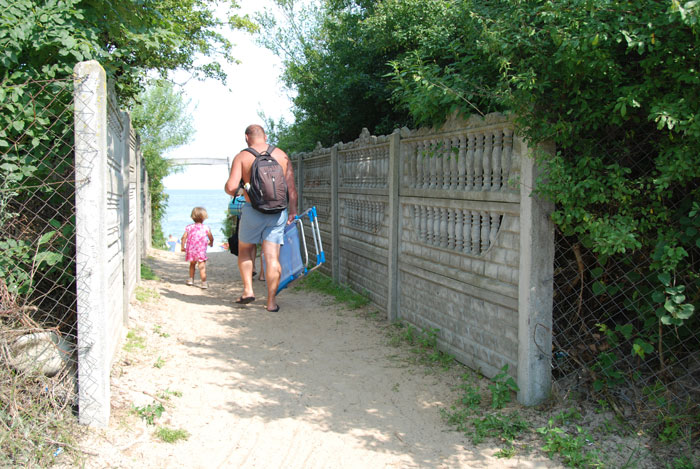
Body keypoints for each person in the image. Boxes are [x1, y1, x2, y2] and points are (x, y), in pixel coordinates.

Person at [225, 124, 298, 312]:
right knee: (272, 257)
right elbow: (291, 189)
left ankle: (248, 290)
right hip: (278, 212)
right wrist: (292, 211)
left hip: (252, 209)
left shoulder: (242, 156)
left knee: (245, 250)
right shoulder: (282, 155)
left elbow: (230, 187)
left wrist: (244, 190)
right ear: (265, 136)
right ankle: (271, 302)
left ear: (246, 137)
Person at [181, 206, 214, 289]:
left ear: (193, 217)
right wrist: (211, 243)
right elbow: (211, 237)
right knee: (202, 266)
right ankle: (204, 283)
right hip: (201, 251)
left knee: (192, 265)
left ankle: (191, 280)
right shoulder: (206, 227)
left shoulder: (189, 227)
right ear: (204, 217)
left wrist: (182, 246)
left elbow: (184, 237)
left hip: (191, 250)